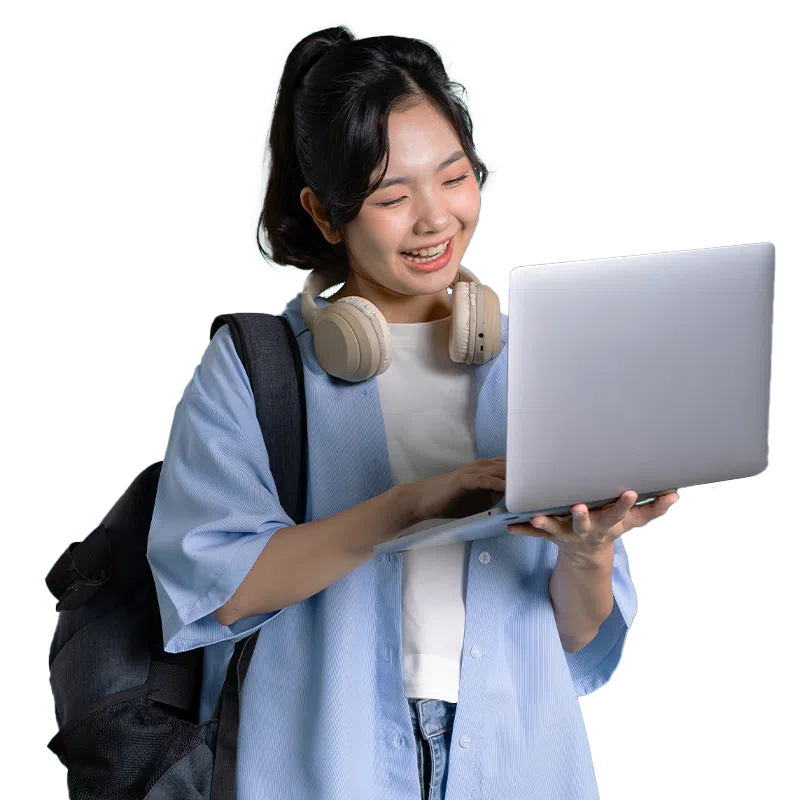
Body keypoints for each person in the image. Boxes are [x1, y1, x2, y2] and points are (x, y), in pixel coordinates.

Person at [146, 25, 678, 800]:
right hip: (321, 761)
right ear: (327, 217)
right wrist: (408, 506)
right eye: (393, 197)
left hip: (517, 763)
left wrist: (588, 553)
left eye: (454, 178)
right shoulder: (256, 370)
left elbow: (574, 641)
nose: (435, 220)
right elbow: (217, 591)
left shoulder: (543, 359)